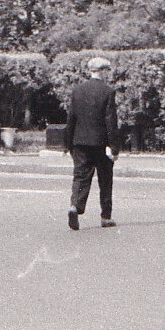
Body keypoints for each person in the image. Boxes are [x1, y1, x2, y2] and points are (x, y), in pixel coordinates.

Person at [64, 56, 119, 231]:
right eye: (106, 71)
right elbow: (110, 121)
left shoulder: (77, 90)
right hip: (101, 143)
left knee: (80, 176)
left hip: (80, 141)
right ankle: (105, 216)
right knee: (105, 179)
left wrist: (68, 144)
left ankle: (75, 206)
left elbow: (71, 118)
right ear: (102, 71)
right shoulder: (107, 91)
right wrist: (114, 146)